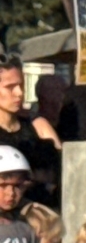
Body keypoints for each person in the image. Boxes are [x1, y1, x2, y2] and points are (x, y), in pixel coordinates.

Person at [0, 56, 59, 206]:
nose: (19, 93)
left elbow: (65, 169)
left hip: (42, 214)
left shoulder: (38, 127)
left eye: (22, 85)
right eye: (10, 87)